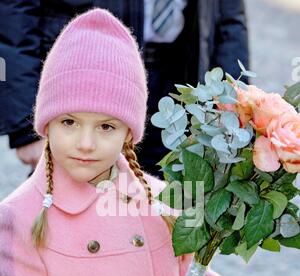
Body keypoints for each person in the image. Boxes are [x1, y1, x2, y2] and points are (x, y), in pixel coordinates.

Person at [0, 9, 236, 276]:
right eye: (69, 122)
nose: (86, 143)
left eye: (106, 126)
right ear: (45, 123)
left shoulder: (166, 203)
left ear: (130, 131)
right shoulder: (20, 217)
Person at [0, 0, 249, 177]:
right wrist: (25, 126)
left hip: (180, 84)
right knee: (76, 225)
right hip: (86, 91)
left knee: (162, 220)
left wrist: (233, 113)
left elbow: (228, 18)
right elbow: (14, 17)